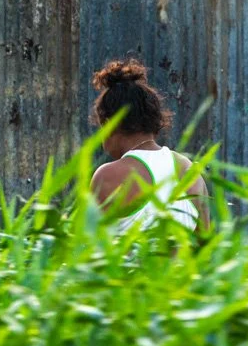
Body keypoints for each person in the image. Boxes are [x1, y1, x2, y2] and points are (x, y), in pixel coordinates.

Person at [89, 59, 210, 234]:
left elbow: (91, 249)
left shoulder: (107, 176)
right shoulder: (189, 171)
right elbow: (205, 251)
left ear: (109, 124)